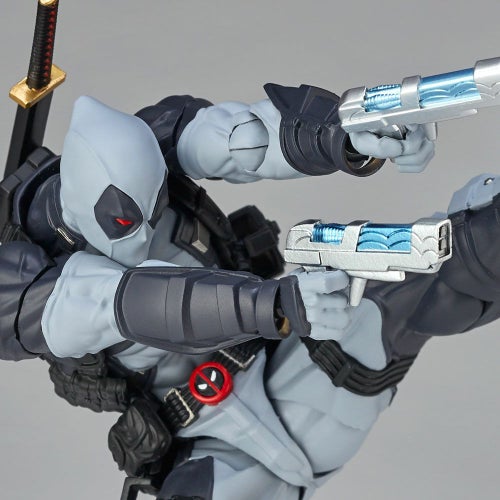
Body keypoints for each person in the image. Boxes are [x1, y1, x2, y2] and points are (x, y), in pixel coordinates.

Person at [2, 84, 477, 500]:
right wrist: (273, 304)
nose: (142, 236)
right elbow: (139, 302)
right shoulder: (22, 284)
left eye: (155, 208)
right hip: (205, 433)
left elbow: (246, 139)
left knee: (462, 257)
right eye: (126, 222)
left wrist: (345, 137)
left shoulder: (152, 145)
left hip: (287, 347)